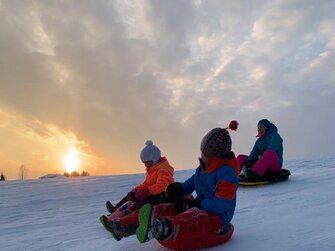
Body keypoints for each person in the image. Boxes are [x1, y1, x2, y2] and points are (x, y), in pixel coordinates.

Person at [135, 128, 239, 249]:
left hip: (217, 218)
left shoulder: (226, 173)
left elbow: (222, 204)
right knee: (170, 207)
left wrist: (197, 204)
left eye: (205, 153)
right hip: (200, 208)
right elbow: (190, 184)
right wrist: (178, 188)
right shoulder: (202, 169)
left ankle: (161, 227)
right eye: (202, 152)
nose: (202, 155)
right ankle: (134, 220)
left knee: (191, 219)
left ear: (215, 156)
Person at [100, 140, 175, 240]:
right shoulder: (152, 170)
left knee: (139, 205)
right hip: (153, 194)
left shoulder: (163, 169)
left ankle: (122, 221)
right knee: (131, 196)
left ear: (154, 159)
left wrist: (147, 191)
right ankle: (116, 210)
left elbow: (163, 185)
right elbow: (145, 184)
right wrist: (135, 190)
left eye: (147, 162)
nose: (145, 165)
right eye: (144, 162)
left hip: (162, 197)